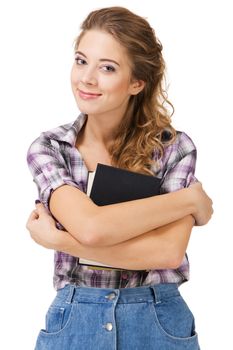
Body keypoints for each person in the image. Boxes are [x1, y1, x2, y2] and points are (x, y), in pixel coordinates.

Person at [26, 6, 213, 350]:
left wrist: (59, 241)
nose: (87, 78)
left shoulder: (174, 148)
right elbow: (91, 227)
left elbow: (167, 252)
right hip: (76, 318)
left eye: (107, 68)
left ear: (137, 82)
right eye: (81, 61)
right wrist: (188, 201)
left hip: (158, 319)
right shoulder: (51, 148)